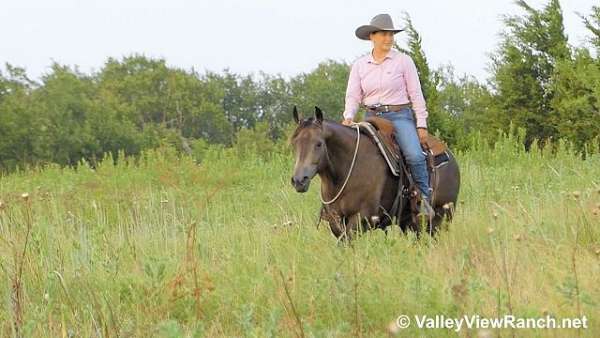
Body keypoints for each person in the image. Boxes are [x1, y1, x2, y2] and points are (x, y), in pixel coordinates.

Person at [341, 13, 434, 222]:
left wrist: (421, 125)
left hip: (399, 116)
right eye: (383, 34)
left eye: (390, 34)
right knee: (351, 155)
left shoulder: (404, 61)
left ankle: (424, 201)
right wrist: (348, 116)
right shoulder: (360, 65)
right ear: (372, 37)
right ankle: (349, 202)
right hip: (370, 117)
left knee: (415, 155)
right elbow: (353, 95)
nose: (388, 38)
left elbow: (416, 94)